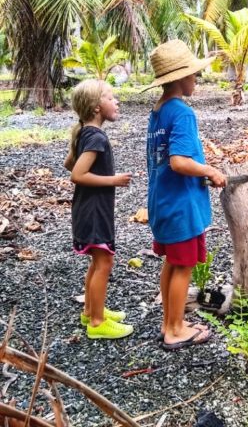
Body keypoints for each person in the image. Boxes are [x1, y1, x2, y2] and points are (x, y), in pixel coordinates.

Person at [145, 40, 226, 351]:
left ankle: (170, 321)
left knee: (172, 263)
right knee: (183, 266)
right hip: (180, 205)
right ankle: (176, 329)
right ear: (179, 78)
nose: (197, 79)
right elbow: (179, 161)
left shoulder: (158, 111)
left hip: (162, 200)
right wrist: (211, 171)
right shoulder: (181, 113)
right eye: (194, 74)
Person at [65, 79, 133, 339]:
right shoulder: (96, 136)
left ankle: (92, 309)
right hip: (93, 211)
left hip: (88, 208)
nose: (116, 101)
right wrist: (112, 180)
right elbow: (77, 174)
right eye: (110, 97)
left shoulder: (83, 132)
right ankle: (97, 323)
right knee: (104, 262)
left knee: (98, 260)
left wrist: (95, 177)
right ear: (96, 107)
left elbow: (69, 163)